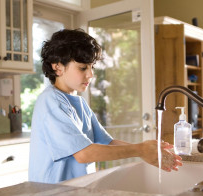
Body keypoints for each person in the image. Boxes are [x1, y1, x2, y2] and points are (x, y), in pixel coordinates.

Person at [29, 29, 182, 184]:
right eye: (83, 68)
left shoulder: (78, 102)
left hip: (75, 190)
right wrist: (140, 149)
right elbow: (84, 154)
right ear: (58, 67)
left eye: (92, 67)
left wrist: (146, 151)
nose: (90, 74)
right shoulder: (51, 102)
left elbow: (106, 142)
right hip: (53, 195)